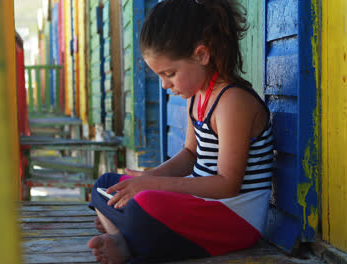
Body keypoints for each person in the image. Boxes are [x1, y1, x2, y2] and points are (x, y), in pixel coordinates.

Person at [87, 0, 274, 263]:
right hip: (201, 206)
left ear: (201, 55)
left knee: (146, 206)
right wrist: (147, 176)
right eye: (159, 77)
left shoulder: (233, 102)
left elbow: (227, 185)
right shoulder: (197, 96)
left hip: (235, 217)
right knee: (105, 185)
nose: (165, 85)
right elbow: (189, 154)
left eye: (170, 73)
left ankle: (127, 235)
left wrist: (150, 185)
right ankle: (123, 236)